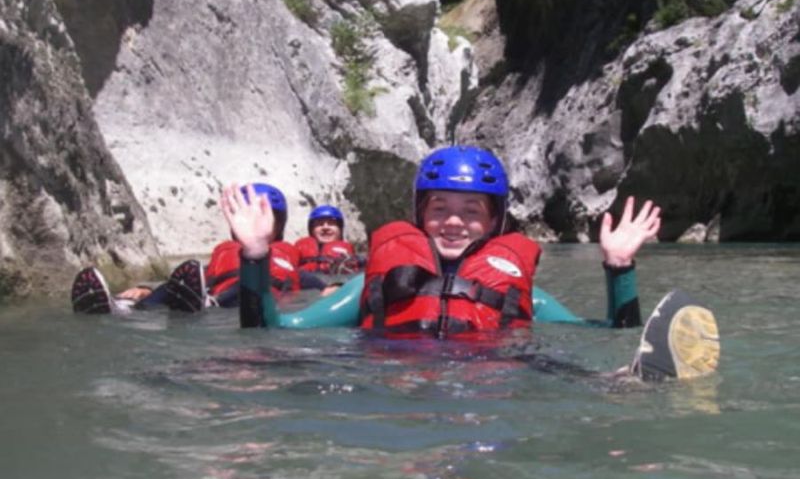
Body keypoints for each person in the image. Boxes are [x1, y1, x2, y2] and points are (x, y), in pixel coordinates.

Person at [221, 145, 720, 380]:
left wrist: (618, 267)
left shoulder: (520, 292)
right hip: (392, 381)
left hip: (489, 382)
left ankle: (627, 384)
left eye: (471, 211)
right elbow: (270, 330)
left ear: (496, 220)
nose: (453, 223)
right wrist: (257, 255)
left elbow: (611, 331)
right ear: (420, 213)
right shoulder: (375, 285)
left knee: (560, 370)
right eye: (439, 209)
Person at [71, 183, 327, 314]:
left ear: (279, 226)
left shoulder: (288, 262)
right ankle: (127, 308)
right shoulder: (222, 257)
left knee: (244, 286)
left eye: (264, 216)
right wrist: (145, 290)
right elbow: (190, 281)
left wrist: (331, 289)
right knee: (177, 285)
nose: (254, 220)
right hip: (212, 298)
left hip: (251, 301)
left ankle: (209, 304)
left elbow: (311, 281)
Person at [295, 205, 362, 274]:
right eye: (319, 224)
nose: (325, 228)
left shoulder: (356, 259)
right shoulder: (299, 251)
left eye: (331, 223)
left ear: (340, 230)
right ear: (311, 230)